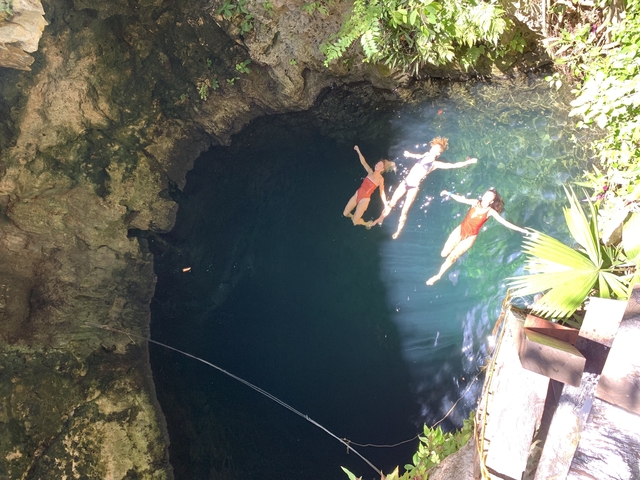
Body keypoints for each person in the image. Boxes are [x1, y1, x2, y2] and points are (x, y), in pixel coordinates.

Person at [373, 137, 477, 239]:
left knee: (404, 211)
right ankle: (380, 218)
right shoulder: (425, 155)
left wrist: (468, 162)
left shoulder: (435, 164)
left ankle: (398, 231)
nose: (433, 150)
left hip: (413, 187)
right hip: (405, 182)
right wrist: (409, 154)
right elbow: (417, 156)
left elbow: (453, 165)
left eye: (437, 149)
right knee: (391, 202)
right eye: (434, 147)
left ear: (438, 153)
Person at [426, 188, 528, 285]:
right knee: (443, 254)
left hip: (470, 237)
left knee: (452, 257)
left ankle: (438, 275)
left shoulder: (490, 212)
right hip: (460, 230)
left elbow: (505, 223)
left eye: (489, 197)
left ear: (492, 201)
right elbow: (462, 199)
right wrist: (448, 193)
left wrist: (521, 230)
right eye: (486, 194)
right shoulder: (475, 202)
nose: (486, 197)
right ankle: (441, 264)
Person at [343, 145, 397, 228]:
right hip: (358, 193)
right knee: (345, 213)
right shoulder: (370, 172)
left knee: (355, 222)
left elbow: (382, 192)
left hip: (364, 200)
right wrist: (358, 150)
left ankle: (366, 223)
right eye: (377, 164)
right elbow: (363, 162)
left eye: (379, 166)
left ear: (382, 169)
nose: (377, 166)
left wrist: (385, 204)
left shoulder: (380, 179)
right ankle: (354, 216)